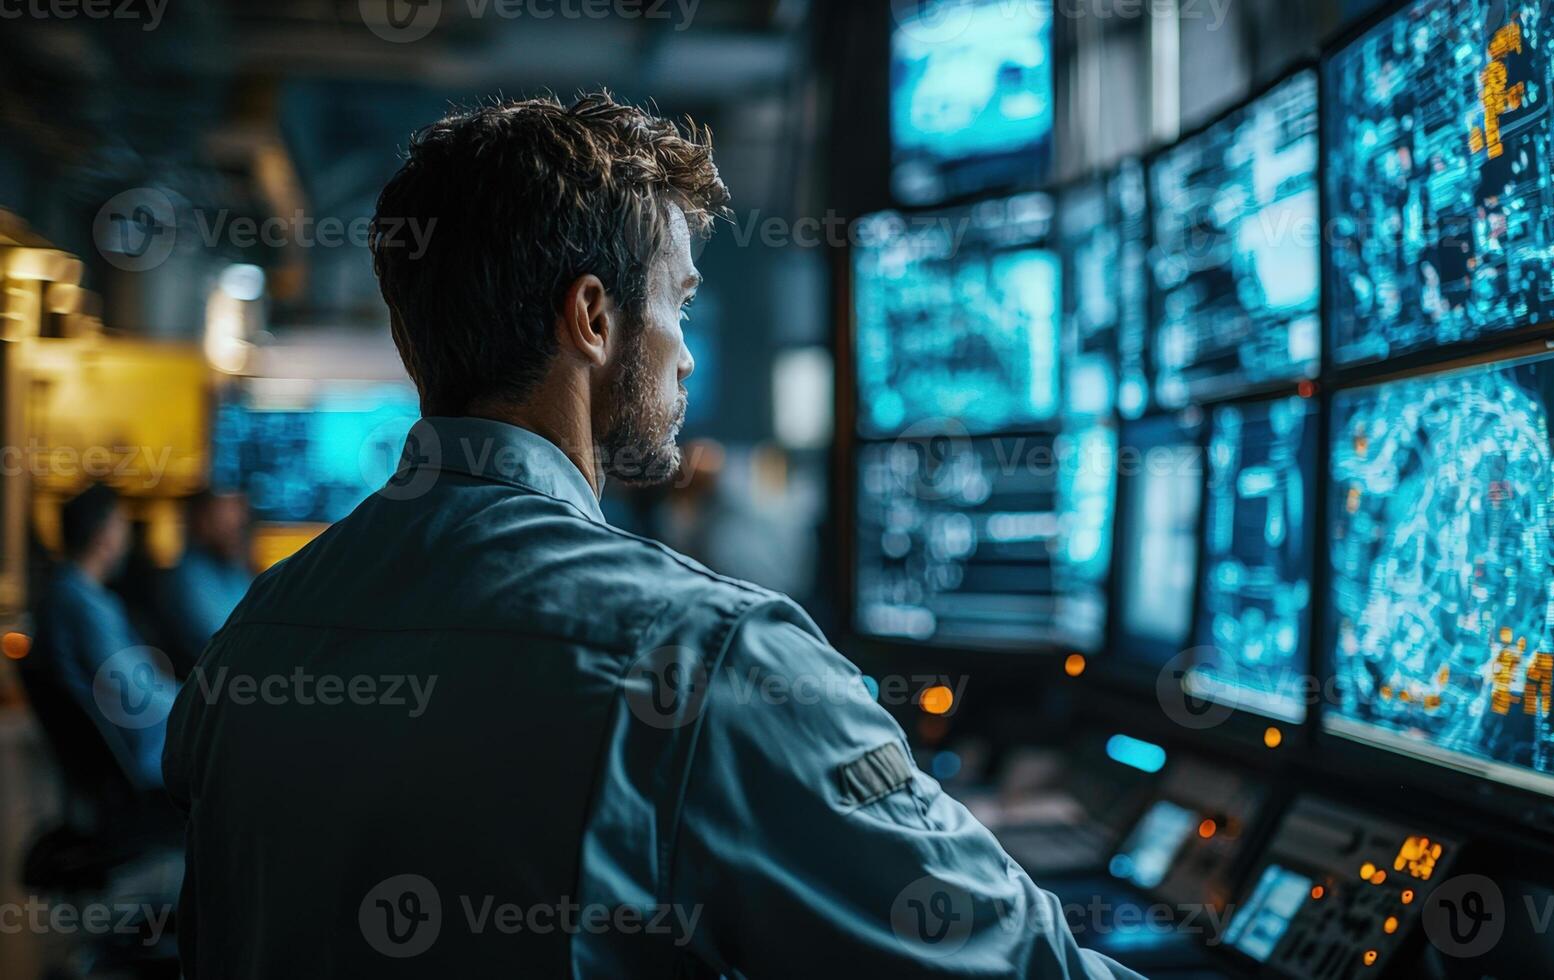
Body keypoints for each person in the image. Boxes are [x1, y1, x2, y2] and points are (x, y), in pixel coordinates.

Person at [164, 93, 1140, 979]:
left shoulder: (254, 637)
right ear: (592, 316)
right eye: (680, 302)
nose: (687, 351)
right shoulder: (707, 658)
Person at [32, 484, 179, 791]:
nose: (127, 540)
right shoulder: (83, 604)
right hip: (144, 755)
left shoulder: (64, 593)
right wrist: (199, 705)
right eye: (122, 526)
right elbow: (133, 691)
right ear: (104, 535)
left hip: (125, 753)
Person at [160, 490, 254, 670]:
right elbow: (228, 641)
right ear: (202, 521)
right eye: (225, 521)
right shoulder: (189, 577)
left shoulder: (232, 569)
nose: (237, 525)